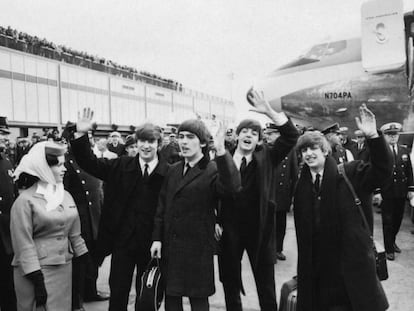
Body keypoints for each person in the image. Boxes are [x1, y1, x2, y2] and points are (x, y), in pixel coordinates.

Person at [293, 104, 391, 311]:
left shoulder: (350, 173)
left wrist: (374, 136)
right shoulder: (302, 185)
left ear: (324, 150)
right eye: (304, 150)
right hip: (318, 271)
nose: (309, 153)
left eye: (313, 148)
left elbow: (382, 171)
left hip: (349, 269)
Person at [71, 110, 169, 311]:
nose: (146, 145)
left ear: (159, 144)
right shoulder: (121, 166)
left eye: (151, 141)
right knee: (118, 292)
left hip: (153, 244)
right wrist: (81, 135)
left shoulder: (168, 172)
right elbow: (90, 163)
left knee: (149, 296)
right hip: (122, 242)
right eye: (142, 140)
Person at [218, 90, 299, 311]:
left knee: (266, 286)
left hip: (260, 230)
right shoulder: (222, 157)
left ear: (258, 140)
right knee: (230, 284)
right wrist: (215, 220)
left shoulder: (268, 157)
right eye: (244, 131)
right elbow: (212, 192)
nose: (248, 135)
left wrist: (271, 112)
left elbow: (292, 136)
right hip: (230, 230)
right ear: (236, 136)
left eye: (254, 133)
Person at [150, 119, 241, 311]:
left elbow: (232, 187)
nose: (183, 142)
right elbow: (161, 206)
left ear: (202, 143)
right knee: (172, 299)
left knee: (198, 300)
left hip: (198, 249)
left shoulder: (212, 169)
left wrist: (222, 152)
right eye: (181, 137)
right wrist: (157, 238)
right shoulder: (173, 170)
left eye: (190, 137)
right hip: (171, 246)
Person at [11, 141, 88, 311]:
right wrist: (36, 278)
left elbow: (75, 235)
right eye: (58, 165)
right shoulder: (25, 201)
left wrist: (83, 260)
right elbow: (23, 244)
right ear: (43, 168)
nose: (64, 168)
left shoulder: (65, 195)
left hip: (64, 268)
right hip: (35, 272)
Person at [373, 122, 414, 260]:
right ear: (385, 136)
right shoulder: (381, 152)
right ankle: (389, 248)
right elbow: (375, 173)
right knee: (388, 220)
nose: (393, 137)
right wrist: (377, 191)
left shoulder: (404, 151)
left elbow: (409, 171)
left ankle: (393, 240)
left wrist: (410, 188)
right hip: (387, 192)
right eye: (390, 135)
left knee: (398, 219)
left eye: (395, 134)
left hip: (401, 192)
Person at [0, 117, 18, 311]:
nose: (5, 139)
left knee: (7, 281)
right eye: (1, 134)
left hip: (6, 230)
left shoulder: (5, 160)